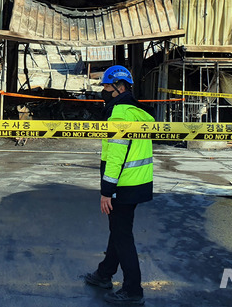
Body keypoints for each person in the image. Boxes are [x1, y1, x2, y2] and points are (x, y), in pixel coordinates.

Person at [84, 65, 154, 306]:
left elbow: (116, 155)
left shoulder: (121, 114)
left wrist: (107, 191)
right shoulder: (136, 112)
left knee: (122, 235)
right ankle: (104, 273)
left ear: (120, 88)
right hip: (136, 183)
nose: (103, 91)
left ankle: (133, 289)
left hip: (123, 185)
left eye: (106, 86)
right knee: (118, 229)